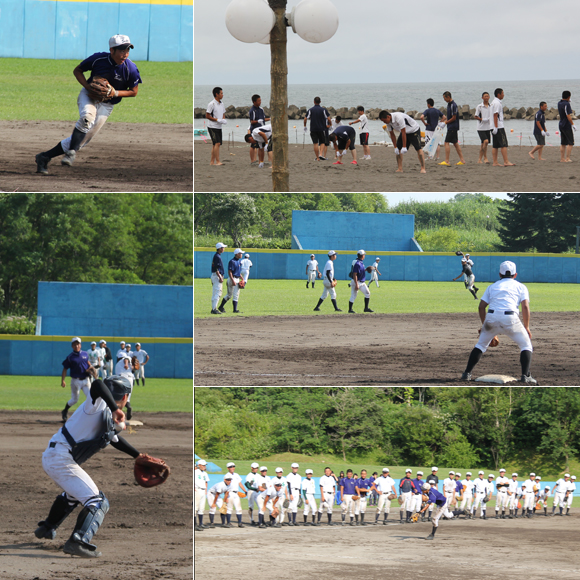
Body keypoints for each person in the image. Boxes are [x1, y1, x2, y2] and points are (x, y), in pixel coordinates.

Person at [35, 376, 142, 557]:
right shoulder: (97, 405)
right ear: (125, 397)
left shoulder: (105, 411)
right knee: (98, 501)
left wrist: (138, 456)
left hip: (57, 456)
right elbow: (98, 383)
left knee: (75, 493)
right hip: (60, 458)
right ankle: (78, 541)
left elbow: (114, 439)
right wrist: (116, 409)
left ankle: (47, 528)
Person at [35, 35, 142, 175]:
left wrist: (115, 93)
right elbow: (77, 71)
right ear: (112, 50)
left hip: (108, 104)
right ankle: (70, 153)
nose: (125, 54)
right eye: (121, 50)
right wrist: (87, 86)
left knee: (83, 139)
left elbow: (133, 92)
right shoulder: (98, 59)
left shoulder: (131, 68)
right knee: (87, 117)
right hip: (89, 96)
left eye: (127, 50)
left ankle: (44, 157)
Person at [460, 260, 536, 384]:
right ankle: (525, 376)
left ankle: (467, 373)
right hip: (510, 319)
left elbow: (481, 307)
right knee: (526, 346)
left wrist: (485, 325)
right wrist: (527, 327)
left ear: (499, 275)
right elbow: (525, 307)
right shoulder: (521, 286)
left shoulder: (493, 286)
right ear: (515, 275)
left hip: (491, 317)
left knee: (480, 345)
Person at [61, 338, 97, 423]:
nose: (76, 346)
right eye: (74, 344)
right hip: (75, 381)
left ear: (80, 345)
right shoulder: (70, 357)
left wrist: (90, 367)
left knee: (91, 397)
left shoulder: (85, 354)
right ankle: (65, 410)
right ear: (72, 346)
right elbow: (65, 369)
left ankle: (91, 415)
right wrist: (63, 380)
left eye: (78, 344)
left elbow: (87, 363)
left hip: (86, 380)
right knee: (74, 400)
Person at [439, 91, 466, 166]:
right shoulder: (448, 105)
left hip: (453, 127)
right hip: (451, 126)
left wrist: (445, 123)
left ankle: (447, 161)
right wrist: (444, 122)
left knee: (446, 142)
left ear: (448, 97)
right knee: (455, 143)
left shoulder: (453, 105)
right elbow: (449, 117)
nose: (444, 99)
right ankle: (462, 160)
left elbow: (454, 118)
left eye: (444, 98)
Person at [490, 88, 515, 167]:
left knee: (495, 145)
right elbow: (495, 115)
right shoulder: (497, 103)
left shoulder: (493, 102)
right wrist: (496, 127)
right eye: (502, 93)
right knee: (503, 144)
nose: (503, 95)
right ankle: (506, 161)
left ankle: (495, 162)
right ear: (498, 94)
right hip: (498, 126)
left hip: (493, 126)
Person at [218, 248, 245, 314]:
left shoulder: (239, 261)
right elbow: (230, 272)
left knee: (236, 295)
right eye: (240, 253)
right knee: (229, 295)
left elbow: (238, 272)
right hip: (232, 279)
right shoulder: (232, 261)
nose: (241, 254)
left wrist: (242, 278)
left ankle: (235, 310)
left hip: (237, 279)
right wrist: (233, 280)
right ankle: (221, 307)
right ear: (236, 254)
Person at [304, 97, 330, 161]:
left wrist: (305, 126)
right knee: (322, 142)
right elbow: (328, 118)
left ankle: (317, 157)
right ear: (320, 102)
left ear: (314, 102)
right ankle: (321, 154)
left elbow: (305, 118)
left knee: (315, 143)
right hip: (321, 128)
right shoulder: (323, 110)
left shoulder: (311, 110)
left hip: (313, 129)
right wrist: (330, 124)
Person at [206, 86, 226, 166]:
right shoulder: (212, 104)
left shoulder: (222, 104)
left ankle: (212, 162)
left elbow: (223, 114)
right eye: (221, 93)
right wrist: (217, 120)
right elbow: (207, 116)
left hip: (219, 126)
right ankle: (218, 161)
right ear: (216, 94)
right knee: (217, 143)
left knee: (216, 144)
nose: (222, 95)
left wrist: (223, 120)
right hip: (212, 126)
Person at [349, 249, 373, 314]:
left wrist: (366, 269)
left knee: (367, 293)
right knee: (354, 295)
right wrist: (356, 284)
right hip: (357, 281)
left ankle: (366, 308)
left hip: (362, 282)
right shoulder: (357, 263)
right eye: (364, 255)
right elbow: (355, 274)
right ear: (362, 256)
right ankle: (350, 309)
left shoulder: (360, 262)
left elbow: (359, 271)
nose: (364, 256)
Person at [248, 94, 270, 164]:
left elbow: (263, 119)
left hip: (261, 129)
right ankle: (252, 160)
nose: (260, 102)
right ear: (254, 102)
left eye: (260, 100)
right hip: (255, 130)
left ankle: (261, 161)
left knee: (261, 146)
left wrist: (270, 119)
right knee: (253, 146)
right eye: (258, 101)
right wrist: (258, 121)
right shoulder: (252, 110)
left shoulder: (261, 109)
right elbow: (252, 121)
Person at [225, 462, 247, 528]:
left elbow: (240, 484)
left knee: (239, 508)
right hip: (230, 493)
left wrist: (245, 491)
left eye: (233, 467)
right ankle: (228, 523)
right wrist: (226, 497)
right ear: (228, 468)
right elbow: (225, 486)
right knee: (229, 508)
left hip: (236, 493)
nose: (232, 468)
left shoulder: (236, 475)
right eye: (231, 467)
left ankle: (240, 523)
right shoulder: (226, 476)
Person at [114, 353, 136, 420]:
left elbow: (126, 359)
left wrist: (126, 364)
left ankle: (118, 414)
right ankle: (128, 407)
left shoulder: (120, 362)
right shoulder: (121, 364)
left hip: (123, 379)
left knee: (119, 398)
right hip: (130, 380)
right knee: (127, 398)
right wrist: (132, 367)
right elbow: (132, 370)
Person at [474, 92, 492, 164]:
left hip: (488, 127)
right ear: (482, 98)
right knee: (486, 141)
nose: (486, 97)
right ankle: (485, 157)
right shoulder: (480, 106)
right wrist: (482, 119)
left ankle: (479, 159)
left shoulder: (491, 106)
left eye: (487, 96)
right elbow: (476, 116)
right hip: (481, 127)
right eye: (485, 96)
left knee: (483, 144)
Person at [558, 90, 575, 162]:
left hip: (561, 124)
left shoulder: (559, 103)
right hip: (566, 125)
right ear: (568, 97)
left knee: (563, 143)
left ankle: (562, 158)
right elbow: (568, 115)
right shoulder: (567, 104)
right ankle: (567, 158)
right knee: (570, 143)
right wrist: (573, 124)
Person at [211, 242, 227, 315]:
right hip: (217, 275)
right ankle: (214, 309)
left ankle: (213, 308)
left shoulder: (217, 255)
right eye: (223, 247)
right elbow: (216, 269)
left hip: (215, 275)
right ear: (220, 248)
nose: (224, 249)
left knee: (215, 292)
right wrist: (220, 277)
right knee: (218, 292)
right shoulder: (217, 256)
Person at [195, 459, 210, 531]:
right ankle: (195, 525)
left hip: (203, 491)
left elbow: (206, 482)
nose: (204, 466)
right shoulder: (195, 472)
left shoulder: (205, 473)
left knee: (201, 508)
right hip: (197, 490)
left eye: (205, 465)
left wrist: (206, 490)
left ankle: (201, 524)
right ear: (199, 465)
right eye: (203, 465)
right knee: (195, 508)